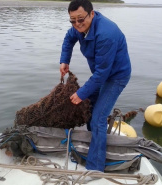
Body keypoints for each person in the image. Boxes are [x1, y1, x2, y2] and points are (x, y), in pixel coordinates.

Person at [59, 0, 131, 172]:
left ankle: (95, 168)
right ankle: (96, 141)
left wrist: (81, 93)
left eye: (80, 19)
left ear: (92, 14)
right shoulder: (79, 28)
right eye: (72, 20)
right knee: (92, 108)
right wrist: (64, 60)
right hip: (101, 74)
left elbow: (102, 74)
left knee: (98, 118)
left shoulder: (106, 34)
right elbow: (69, 38)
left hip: (116, 77)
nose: (77, 24)